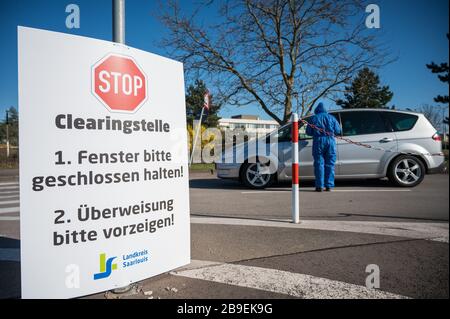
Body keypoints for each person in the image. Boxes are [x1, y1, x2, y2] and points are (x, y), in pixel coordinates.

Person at [305, 103, 342, 192]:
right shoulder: (332, 118)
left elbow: (308, 132)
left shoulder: (313, 118)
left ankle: (319, 186)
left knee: (319, 164)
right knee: (330, 163)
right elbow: (338, 130)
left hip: (318, 141)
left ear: (316, 110)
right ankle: (329, 186)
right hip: (330, 141)